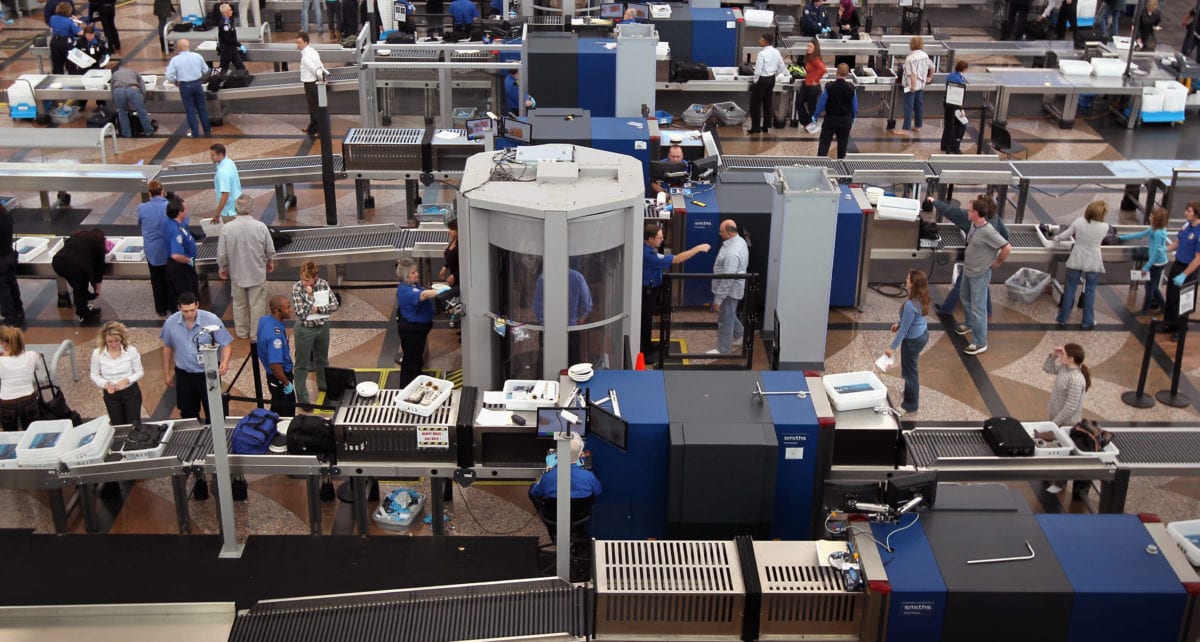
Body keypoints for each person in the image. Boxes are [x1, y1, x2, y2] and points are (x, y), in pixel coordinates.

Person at [929, 194, 1009, 316]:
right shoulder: (995, 218)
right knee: (983, 285)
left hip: (975, 262)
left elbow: (952, 211)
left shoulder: (977, 223)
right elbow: (1006, 234)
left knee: (962, 285)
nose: (968, 211)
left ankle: (947, 309)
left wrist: (934, 201)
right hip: (986, 262)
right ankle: (987, 310)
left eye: (971, 209)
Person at [161, 292, 233, 422]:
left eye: (192, 310)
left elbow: (226, 344)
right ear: (179, 308)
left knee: (214, 411)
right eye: (185, 311)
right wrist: (166, 372)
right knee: (188, 412)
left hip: (208, 373)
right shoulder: (170, 323)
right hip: (184, 375)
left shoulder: (212, 320)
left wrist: (225, 362)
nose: (189, 314)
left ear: (197, 305)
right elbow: (167, 347)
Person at [641, 223, 711, 356]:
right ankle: (644, 350)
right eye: (659, 237)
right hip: (647, 293)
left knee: (648, 320)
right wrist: (697, 248)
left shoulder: (649, 250)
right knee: (645, 321)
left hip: (652, 290)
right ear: (650, 239)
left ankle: (647, 345)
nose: (662, 239)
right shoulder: (648, 254)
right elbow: (677, 259)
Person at [957, 196, 1011, 356]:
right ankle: (969, 323)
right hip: (968, 270)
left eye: (970, 210)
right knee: (965, 297)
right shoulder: (974, 225)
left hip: (979, 274)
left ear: (977, 213)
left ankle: (980, 342)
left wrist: (997, 263)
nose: (967, 211)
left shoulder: (988, 231)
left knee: (978, 307)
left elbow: (1007, 248)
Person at [217, 194, 275, 340]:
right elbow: (270, 249)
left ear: (236, 208)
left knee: (239, 304)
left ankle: (242, 332)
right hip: (257, 272)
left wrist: (223, 267)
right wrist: (269, 261)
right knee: (257, 305)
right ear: (251, 208)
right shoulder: (260, 226)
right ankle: (256, 334)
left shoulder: (227, 228)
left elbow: (222, 253)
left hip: (237, 273)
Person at [1055, 201, 1111, 331]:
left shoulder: (1079, 221)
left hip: (1077, 258)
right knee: (1090, 291)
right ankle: (1087, 321)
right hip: (1093, 260)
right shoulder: (1105, 227)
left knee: (1070, 289)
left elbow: (1065, 235)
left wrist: (1056, 239)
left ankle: (1062, 318)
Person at [1042, 343, 1090, 494]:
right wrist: (1053, 356)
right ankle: (1052, 475)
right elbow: (1047, 368)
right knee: (1055, 447)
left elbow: (1071, 407)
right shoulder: (1064, 368)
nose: (1061, 356)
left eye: (1063, 355)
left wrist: (1054, 425)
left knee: (1063, 452)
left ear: (1071, 359)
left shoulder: (1076, 379)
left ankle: (1060, 483)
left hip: (1065, 422)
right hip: (1055, 416)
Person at [292, 260, 339, 405]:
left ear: (315, 277)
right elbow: (301, 313)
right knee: (302, 364)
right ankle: (302, 397)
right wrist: (310, 297)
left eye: (307, 280)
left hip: (322, 326)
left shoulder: (323, 284)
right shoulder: (297, 288)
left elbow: (334, 305)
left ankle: (323, 384)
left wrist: (319, 309)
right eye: (302, 279)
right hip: (305, 330)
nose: (304, 282)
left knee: (322, 359)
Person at [885, 269, 930, 414]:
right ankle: (909, 392)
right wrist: (899, 322)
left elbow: (904, 330)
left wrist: (892, 348)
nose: (906, 280)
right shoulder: (921, 297)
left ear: (913, 284)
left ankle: (910, 404)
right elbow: (912, 320)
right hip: (922, 334)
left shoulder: (910, 304)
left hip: (912, 341)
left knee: (910, 372)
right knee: (911, 369)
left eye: (908, 279)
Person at [533, 268, 593, 364]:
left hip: (550, 330)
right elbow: (587, 303)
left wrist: (546, 324)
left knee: (548, 361)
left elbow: (538, 309)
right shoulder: (578, 277)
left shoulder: (543, 278)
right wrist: (580, 319)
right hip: (571, 329)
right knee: (573, 363)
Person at [395, 257, 439, 387]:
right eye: (413, 273)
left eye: (416, 271)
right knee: (410, 361)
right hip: (412, 331)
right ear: (406, 277)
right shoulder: (406, 291)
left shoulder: (412, 285)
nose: (417, 274)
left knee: (416, 358)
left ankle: (417, 380)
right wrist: (442, 291)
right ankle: (406, 388)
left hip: (416, 330)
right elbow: (424, 295)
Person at [89, 321, 144, 425]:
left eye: (117, 341)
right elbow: (94, 374)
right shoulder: (97, 353)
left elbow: (139, 371)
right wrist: (105, 384)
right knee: (117, 424)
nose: (114, 344)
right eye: (110, 341)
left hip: (131, 393)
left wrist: (127, 380)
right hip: (111, 395)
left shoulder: (131, 351)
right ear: (105, 339)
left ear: (121, 339)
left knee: (134, 423)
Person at [709, 220, 749, 355]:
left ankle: (723, 350)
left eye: (721, 232)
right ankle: (742, 335)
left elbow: (728, 279)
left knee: (725, 320)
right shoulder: (739, 241)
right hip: (732, 290)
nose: (719, 234)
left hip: (728, 292)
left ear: (730, 233)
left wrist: (718, 300)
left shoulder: (733, 252)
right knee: (729, 314)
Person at [1119, 206, 1169, 314]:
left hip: (1156, 263)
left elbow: (1156, 253)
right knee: (1153, 285)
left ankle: (1145, 310)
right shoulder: (1155, 229)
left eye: (1152, 216)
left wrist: (1146, 267)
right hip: (1158, 262)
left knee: (1149, 286)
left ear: (1157, 219)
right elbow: (1140, 235)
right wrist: (1122, 238)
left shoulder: (1157, 234)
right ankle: (1164, 306)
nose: (1150, 217)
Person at [51, 228, 106, 325]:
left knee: (79, 288)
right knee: (79, 290)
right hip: (74, 267)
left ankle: (86, 309)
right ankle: (84, 315)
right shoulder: (98, 246)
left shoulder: (78, 236)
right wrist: (98, 287)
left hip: (58, 262)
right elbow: (99, 267)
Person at [1163, 202, 1200, 341]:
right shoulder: (1186, 226)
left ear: (1196, 214)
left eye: (1189, 211)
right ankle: (1169, 323)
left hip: (1189, 268)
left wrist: (1184, 275)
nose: (1185, 213)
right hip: (1178, 263)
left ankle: (1181, 328)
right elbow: (1178, 241)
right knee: (1171, 294)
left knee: (1183, 299)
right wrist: (1167, 249)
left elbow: (1198, 259)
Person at [528, 433, 602, 501]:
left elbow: (534, 493)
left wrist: (544, 475)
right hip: (581, 513)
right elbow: (597, 492)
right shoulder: (589, 477)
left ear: (558, 454)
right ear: (580, 455)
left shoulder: (548, 477)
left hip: (552, 513)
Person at [257, 296, 296, 416]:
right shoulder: (275, 337)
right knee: (286, 412)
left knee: (276, 407)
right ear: (277, 311)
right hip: (280, 377)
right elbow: (275, 365)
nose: (291, 310)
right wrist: (286, 383)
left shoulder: (264, 320)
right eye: (287, 307)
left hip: (273, 377)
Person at [165, 39, 213, 138]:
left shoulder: (175, 60)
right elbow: (206, 70)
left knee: (190, 109)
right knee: (202, 108)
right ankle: (207, 130)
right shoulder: (197, 56)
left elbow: (169, 75)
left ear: (179, 48)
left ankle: (195, 133)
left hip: (184, 86)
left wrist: (175, 81)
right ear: (188, 46)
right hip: (197, 84)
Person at [138, 182, 171, 316]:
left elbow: (140, 222)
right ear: (163, 191)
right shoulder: (169, 206)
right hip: (169, 248)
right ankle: (172, 304)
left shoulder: (142, 208)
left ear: (150, 193)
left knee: (157, 280)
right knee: (170, 277)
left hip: (152, 250)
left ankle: (161, 309)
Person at [813, 63, 857, 159]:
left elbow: (822, 103)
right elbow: (854, 105)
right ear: (847, 74)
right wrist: (853, 116)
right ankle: (841, 164)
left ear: (836, 72)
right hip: (846, 120)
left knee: (824, 142)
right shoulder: (851, 88)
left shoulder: (829, 87)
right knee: (843, 143)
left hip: (831, 119)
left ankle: (820, 163)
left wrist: (815, 115)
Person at [0, 326, 40, 432]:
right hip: (29, 400)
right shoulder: (32, 355)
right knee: (31, 433)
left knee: (10, 436)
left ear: (4, 344)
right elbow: (37, 367)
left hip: (7, 403)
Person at [164, 195, 200, 306]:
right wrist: (189, 261)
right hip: (180, 267)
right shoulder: (176, 231)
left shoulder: (174, 223)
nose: (187, 210)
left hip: (181, 265)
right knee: (187, 295)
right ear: (180, 212)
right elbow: (176, 255)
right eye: (185, 208)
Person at [748, 34, 784, 135]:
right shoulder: (776, 52)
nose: (759, 40)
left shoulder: (762, 54)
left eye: (761, 39)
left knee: (755, 104)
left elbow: (758, 70)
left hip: (762, 80)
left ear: (766, 42)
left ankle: (755, 128)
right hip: (771, 79)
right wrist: (775, 74)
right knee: (768, 103)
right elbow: (781, 66)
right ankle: (766, 126)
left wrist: (755, 81)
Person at [899, 36, 933, 136]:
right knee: (918, 106)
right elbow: (932, 67)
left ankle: (905, 129)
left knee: (908, 107)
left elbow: (912, 74)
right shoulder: (925, 55)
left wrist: (912, 87)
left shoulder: (910, 58)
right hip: (921, 85)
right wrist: (929, 78)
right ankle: (918, 126)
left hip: (912, 86)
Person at [111, 65, 156, 138]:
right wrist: (143, 98)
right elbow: (142, 86)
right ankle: (149, 131)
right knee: (141, 111)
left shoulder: (115, 74)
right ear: (128, 68)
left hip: (118, 89)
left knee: (122, 112)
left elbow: (112, 89)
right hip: (133, 88)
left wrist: (116, 103)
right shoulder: (134, 72)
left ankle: (126, 133)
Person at [297, 32, 329, 138]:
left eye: (300, 42)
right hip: (314, 81)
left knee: (313, 107)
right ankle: (312, 127)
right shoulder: (313, 51)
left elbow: (314, 69)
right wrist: (325, 74)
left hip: (310, 83)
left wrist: (322, 78)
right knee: (315, 106)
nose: (298, 45)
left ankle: (316, 129)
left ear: (306, 42)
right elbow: (320, 65)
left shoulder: (306, 56)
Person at [793, 38, 826, 130]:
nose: (808, 48)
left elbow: (823, 69)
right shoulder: (809, 58)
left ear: (815, 48)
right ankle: (806, 122)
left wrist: (816, 80)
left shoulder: (815, 59)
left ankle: (810, 125)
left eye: (810, 46)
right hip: (806, 84)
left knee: (811, 108)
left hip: (812, 87)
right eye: (807, 46)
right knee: (799, 102)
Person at [0, 206, 24, 328]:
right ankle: (18, 310)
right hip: (9, 255)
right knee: (12, 283)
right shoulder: (6, 215)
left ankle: (10, 318)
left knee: (2, 290)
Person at [940, 60, 969, 155]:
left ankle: (944, 145)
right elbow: (958, 96)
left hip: (946, 103)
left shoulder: (951, 75)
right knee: (960, 126)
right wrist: (962, 110)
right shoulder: (958, 80)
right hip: (954, 105)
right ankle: (955, 147)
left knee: (948, 125)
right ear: (964, 69)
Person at [210, 143, 243, 223]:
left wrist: (217, 214)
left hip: (229, 212)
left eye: (213, 155)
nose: (211, 157)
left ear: (220, 155)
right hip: (236, 206)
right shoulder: (230, 162)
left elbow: (225, 195)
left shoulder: (222, 172)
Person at [48, 2, 82, 75]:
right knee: (71, 65)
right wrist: (77, 23)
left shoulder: (52, 18)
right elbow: (79, 33)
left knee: (57, 66)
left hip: (54, 42)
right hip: (66, 43)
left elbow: (51, 29)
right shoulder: (69, 21)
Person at [216, 3, 247, 73]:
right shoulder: (224, 25)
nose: (232, 11)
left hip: (232, 49)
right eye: (230, 10)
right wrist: (239, 45)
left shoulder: (228, 21)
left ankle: (244, 78)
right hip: (226, 50)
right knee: (223, 68)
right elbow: (229, 39)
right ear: (226, 13)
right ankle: (218, 81)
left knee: (240, 66)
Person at [835, 0, 860, 68]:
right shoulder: (840, 11)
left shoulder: (853, 11)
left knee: (849, 56)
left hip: (851, 36)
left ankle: (849, 70)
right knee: (840, 56)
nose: (840, 7)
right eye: (840, 6)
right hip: (842, 35)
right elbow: (837, 23)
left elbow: (858, 24)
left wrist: (850, 27)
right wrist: (840, 16)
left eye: (842, 6)